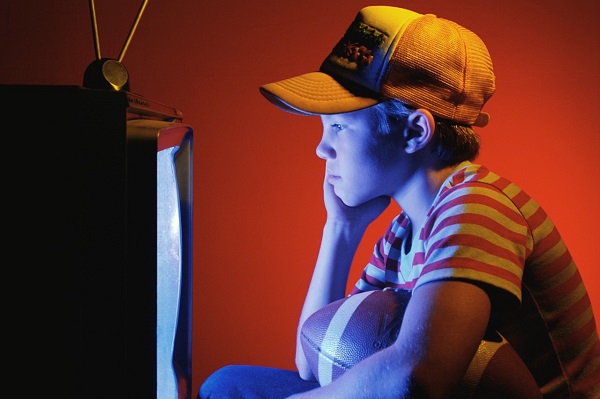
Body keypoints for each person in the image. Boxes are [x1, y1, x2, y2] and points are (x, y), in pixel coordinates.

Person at [199, 5, 600, 399]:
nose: (322, 148)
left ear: (414, 131)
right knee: (229, 384)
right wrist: (341, 228)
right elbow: (312, 363)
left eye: (339, 126)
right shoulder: (404, 232)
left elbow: (418, 378)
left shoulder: (478, 208)